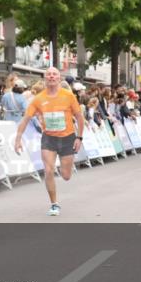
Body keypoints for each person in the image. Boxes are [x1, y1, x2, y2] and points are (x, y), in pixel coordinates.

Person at [13, 67, 85, 217]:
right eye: (49, 74)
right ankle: (54, 204)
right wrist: (18, 139)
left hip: (67, 138)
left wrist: (79, 137)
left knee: (66, 176)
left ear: (59, 78)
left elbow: (79, 117)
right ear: (45, 78)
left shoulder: (68, 96)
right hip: (49, 138)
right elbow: (25, 119)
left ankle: (63, 168)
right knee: (48, 170)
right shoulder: (38, 99)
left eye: (54, 74)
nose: (51, 76)